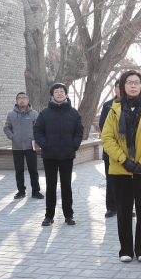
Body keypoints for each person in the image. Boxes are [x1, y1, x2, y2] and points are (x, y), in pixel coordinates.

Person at [101, 70, 141, 263]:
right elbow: (107, 138)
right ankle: (126, 250)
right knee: (123, 210)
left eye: (137, 82)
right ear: (122, 86)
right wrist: (124, 160)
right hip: (120, 169)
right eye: (129, 82)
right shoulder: (113, 109)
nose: (133, 85)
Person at [33, 83, 84, 227]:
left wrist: (74, 144)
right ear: (52, 95)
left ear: (66, 94)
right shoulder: (45, 113)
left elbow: (79, 130)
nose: (59, 93)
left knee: (66, 186)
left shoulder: (73, 113)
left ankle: (69, 215)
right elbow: (37, 130)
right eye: (56, 92)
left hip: (67, 155)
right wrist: (45, 144)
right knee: (51, 187)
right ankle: (49, 216)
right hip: (50, 155)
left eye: (62, 91)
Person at [4, 91, 43, 200]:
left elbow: (39, 129)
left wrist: (37, 142)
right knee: (19, 170)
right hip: (17, 147)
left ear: (28, 100)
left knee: (33, 170)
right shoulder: (11, 115)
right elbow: (6, 128)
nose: (22, 100)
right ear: (16, 101)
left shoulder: (34, 114)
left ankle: (36, 191)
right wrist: (13, 137)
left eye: (24, 98)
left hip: (30, 146)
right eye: (19, 98)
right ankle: (21, 191)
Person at [99, 81, 120, 218]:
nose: (120, 89)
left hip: (128, 150)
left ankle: (127, 207)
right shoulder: (108, 105)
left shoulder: (133, 104)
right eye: (118, 86)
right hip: (110, 148)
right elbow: (102, 124)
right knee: (111, 179)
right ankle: (111, 207)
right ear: (115, 89)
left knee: (128, 181)